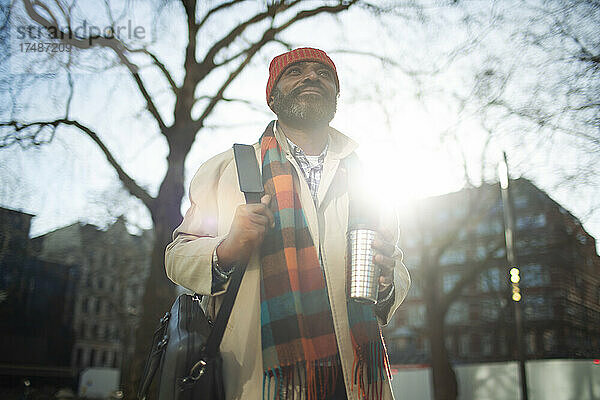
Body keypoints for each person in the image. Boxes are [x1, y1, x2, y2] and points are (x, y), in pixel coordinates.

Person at [165, 47, 410, 400]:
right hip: (259, 378)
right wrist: (227, 248)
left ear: (336, 96)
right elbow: (176, 257)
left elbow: (398, 265)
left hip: (353, 379)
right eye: (295, 72)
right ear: (272, 98)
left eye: (323, 74)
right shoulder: (228, 170)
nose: (312, 77)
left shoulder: (370, 181)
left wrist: (387, 283)